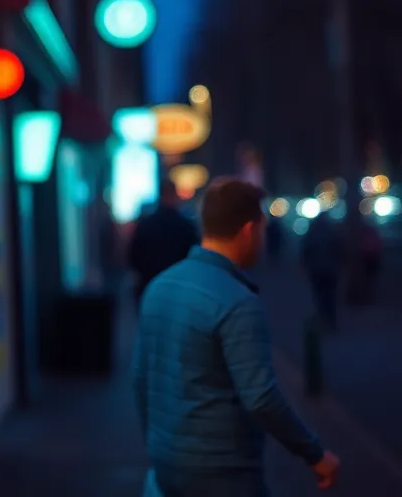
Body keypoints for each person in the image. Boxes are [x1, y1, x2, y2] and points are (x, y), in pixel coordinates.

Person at [134, 178, 339, 496]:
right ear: (248, 230)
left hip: (166, 463)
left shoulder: (159, 286)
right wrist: (315, 454)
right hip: (222, 471)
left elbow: (141, 378)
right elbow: (261, 398)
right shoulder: (237, 302)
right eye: (261, 229)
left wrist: (158, 445)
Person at [126, 180, 200, 308]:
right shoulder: (185, 226)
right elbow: (194, 257)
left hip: (149, 288)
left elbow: (133, 256)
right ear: (175, 196)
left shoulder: (145, 225)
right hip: (179, 291)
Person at [300, 214, 342, 329]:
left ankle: (323, 318)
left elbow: (306, 250)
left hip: (316, 269)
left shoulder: (312, 233)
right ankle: (331, 320)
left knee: (319, 295)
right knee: (331, 296)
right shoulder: (332, 232)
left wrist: (305, 265)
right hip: (331, 269)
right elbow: (339, 249)